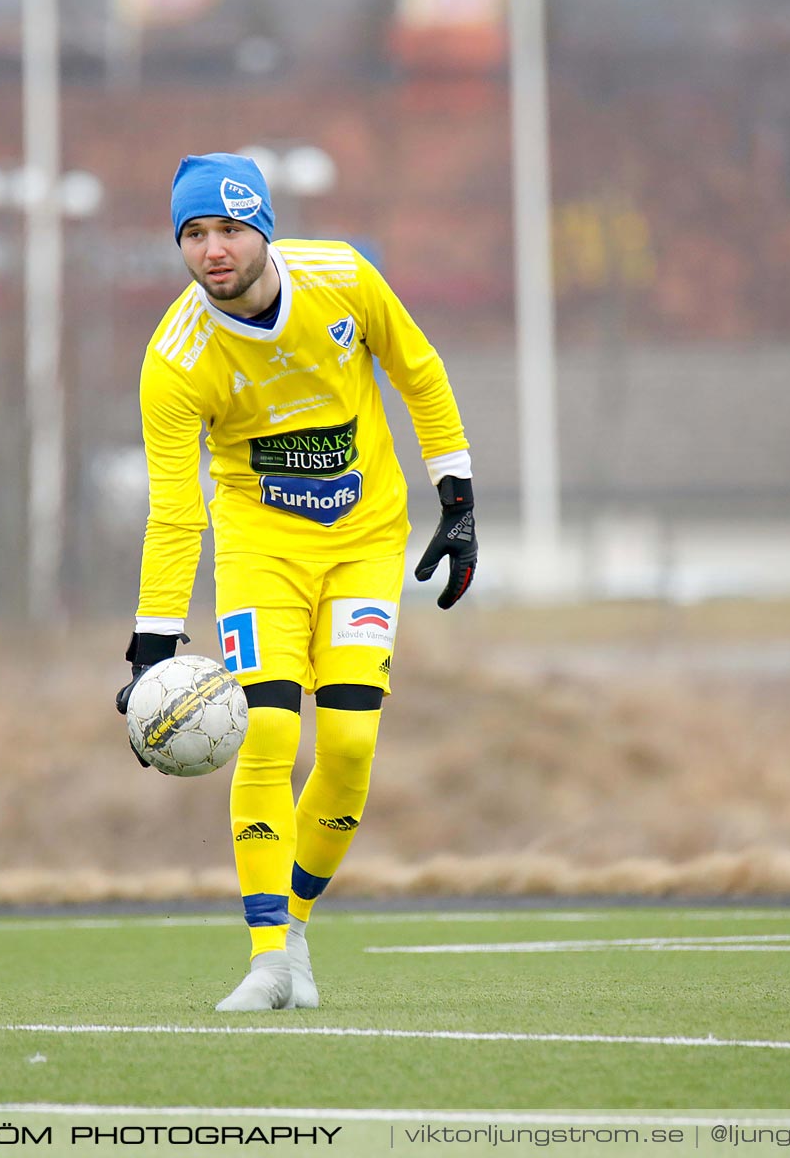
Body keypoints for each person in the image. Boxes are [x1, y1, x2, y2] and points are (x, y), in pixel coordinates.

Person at [115, 152, 477, 1012]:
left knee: (349, 748)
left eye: (230, 229)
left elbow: (419, 372)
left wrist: (456, 498)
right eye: (193, 234)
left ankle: (300, 922)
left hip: (364, 539)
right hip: (259, 550)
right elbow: (176, 511)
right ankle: (268, 956)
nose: (212, 250)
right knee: (269, 732)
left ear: (264, 229)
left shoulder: (344, 277)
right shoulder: (175, 361)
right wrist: (152, 646)